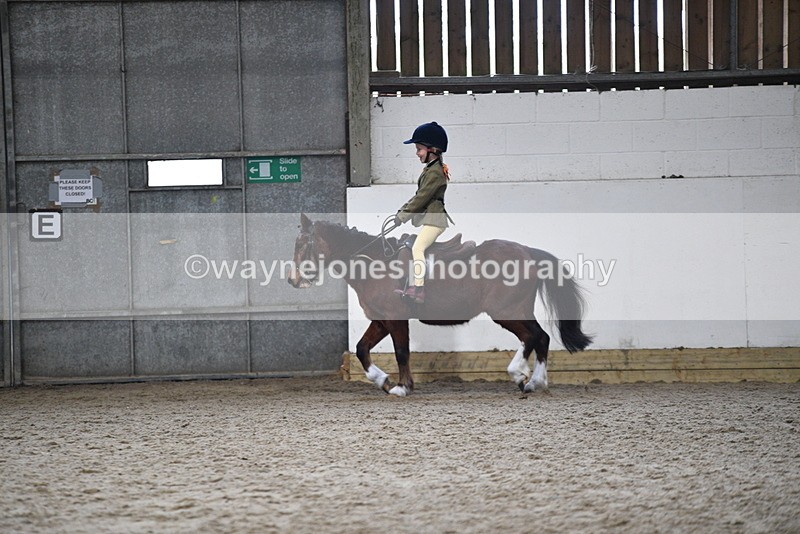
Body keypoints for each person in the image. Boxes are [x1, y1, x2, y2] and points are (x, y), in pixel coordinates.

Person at [392, 121, 452, 304]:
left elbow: (421, 199)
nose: (417, 153)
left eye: (419, 149)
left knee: (418, 248)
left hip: (436, 221)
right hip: (431, 219)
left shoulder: (434, 174)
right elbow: (417, 196)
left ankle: (419, 289)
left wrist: (403, 216)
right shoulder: (430, 169)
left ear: (432, 149)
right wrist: (401, 211)